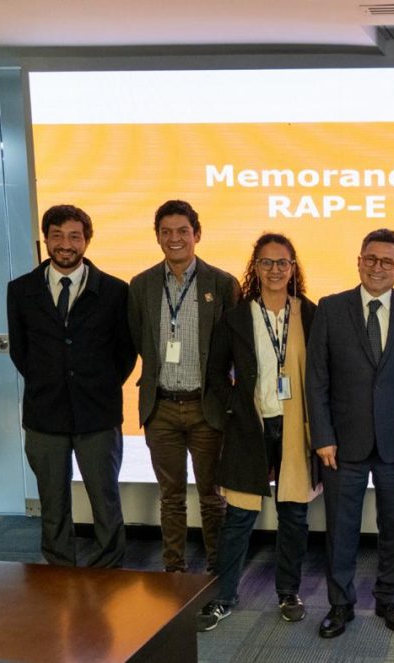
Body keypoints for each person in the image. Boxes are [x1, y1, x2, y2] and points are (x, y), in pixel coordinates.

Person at [306, 229, 394, 638]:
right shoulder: (331, 308)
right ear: (359, 261)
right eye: (371, 258)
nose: (378, 267)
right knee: (340, 529)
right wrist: (322, 436)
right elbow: (317, 378)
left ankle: (389, 599)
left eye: (387, 261)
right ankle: (339, 605)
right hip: (341, 442)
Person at [196, 232, 318, 632]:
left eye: (282, 262)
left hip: (296, 428)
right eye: (266, 262)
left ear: (293, 268)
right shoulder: (236, 317)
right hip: (251, 426)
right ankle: (224, 597)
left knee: (294, 515)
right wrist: (235, 404)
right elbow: (215, 372)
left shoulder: (309, 314)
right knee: (239, 516)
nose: (275, 270)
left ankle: (288, 592)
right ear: (256, 267)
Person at [7, 204, 136, 567]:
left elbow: (125, 352)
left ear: (86, 241)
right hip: (44, 414)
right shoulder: (20, 290)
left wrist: (98, 386)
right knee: (53, 502)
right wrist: (49, 382)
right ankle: (59, 570)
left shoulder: (114, 290)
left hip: (98, 414)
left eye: (74, 236)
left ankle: (108, 568)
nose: (66, 244)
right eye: (57, 236)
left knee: (105, 500)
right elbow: (20, 351)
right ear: (46, 239)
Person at [128, 200, 239, 573]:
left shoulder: (222, 284)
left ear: (197, 234)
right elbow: (139, 340)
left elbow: (234, 348)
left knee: (212, 497)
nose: (174, 239)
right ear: (158, 236)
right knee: (171, 497)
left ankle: (218, 572)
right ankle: (173, 572)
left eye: (182, 231)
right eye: (166, 232)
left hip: (206, 407)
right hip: (161, 407)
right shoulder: (141, 285)